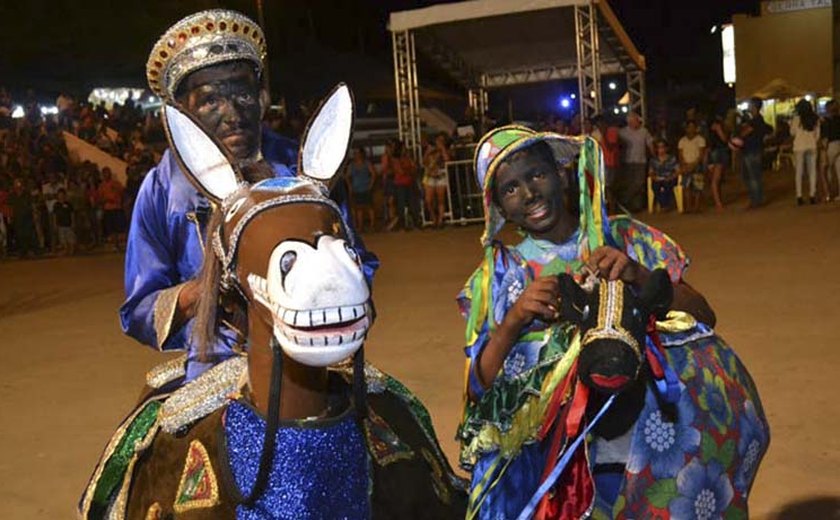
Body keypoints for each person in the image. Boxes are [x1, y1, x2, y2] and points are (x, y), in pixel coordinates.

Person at [456, 126, 767, 519]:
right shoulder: (497, 275)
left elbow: (704, 315)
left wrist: (639, 276)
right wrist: (515, 318)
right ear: (498, 205)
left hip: (646, 447)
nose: (529, 193)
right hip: (552, 467)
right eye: (511, 188)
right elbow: (478, 385)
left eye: (537, 174)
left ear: (560, 171)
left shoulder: (627, 238)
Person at [120, 9, 377, 383]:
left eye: (242, 93)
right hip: (213, 368)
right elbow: (139, 311)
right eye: (209, 101)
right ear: (182, 114)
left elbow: (361, 263)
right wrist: (204, 291)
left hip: (314, 360)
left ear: (263, 96)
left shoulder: (303, 167)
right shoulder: (162, 187)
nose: (231, 113)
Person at [738, 98, 771, 209]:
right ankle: (757, 198)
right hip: (753, 150)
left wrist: (739, 133)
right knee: (752, 176)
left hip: (752, 150)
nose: (749, 107)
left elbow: (745, 133)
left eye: (751, 105)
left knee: (752, 177)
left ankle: (755, 200)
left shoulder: (756, 120)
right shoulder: (757, 120)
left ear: (755, 106)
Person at [617, 112, 653, 212]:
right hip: (627, 161)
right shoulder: (622, 132)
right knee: (630, 183)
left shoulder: (644, 131)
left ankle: (629, 202)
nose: (637, 123)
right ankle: (631, 205)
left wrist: (654, 156)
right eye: (635, 121)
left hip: (641, 161)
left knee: (639, 183)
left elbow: (650, 143)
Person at [790, 99, 820, 205]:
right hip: (812, 145)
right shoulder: (815, 119)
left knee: (799, 172)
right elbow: (818, 135)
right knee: (812, 172)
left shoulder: (797, 119)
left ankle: (799, 196)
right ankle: (812, 195)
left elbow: (792, 132)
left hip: (799, 146)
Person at [390, 140, 421, 231]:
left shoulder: (407, 157)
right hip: (400, 184)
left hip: (409, 183)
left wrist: (410, 169)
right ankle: (402, 225)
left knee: (413, 204)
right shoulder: (395, 159)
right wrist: (410, 171)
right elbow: (401, 171)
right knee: (401, 205)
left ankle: (415, 223)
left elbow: (415, 167)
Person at [678, 120, 707, 212]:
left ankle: (696, 207)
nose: (691, 129)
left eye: (692, 127)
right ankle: (688, 206)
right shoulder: (682, 141)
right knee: (686, 186)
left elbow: (701, 154)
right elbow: (680, 155)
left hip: (697, 165)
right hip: (686, 165)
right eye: (689, 127)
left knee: (697, 186)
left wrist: (694, 164)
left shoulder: (700, 139)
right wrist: (685, 165)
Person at [422, 132, 450, 228]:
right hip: (429, 176)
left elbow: (447, 160)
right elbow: (424, 162)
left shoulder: (446, 150)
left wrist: (442, 149)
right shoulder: (430, 149)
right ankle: (433, 217)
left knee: (440, 199)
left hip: (440, 176)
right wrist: (428, 151)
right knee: (428, 200)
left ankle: (440, 220)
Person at [346, 146, 376, 232]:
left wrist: (371, 185)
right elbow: (347, 176)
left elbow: (374, 174)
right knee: (359, 208)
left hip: (365, 188)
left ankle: (372, 225)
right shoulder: (352, 165)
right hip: (357, 189)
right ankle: (360, 226)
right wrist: (350, 186)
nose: (356, 155)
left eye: (357, 153)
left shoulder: (367, 163)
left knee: (369, 207)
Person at [97, 167, 126, 250]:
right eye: (104, 173)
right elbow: (100, 197)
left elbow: (122, 192)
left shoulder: (116, 183)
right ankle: (114, 244)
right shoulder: (102, 186)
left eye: (107, 173)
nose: (106, 175)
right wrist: (106, 200)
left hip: (117, 207)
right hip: (108, 208)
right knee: (111, 228)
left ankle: (118, 244)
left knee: (118, 227)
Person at [648, 139, 680, 211]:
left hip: (670, 178)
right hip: (658, 178)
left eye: (662, 147)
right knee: (655, 186)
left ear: (666, 148)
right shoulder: (653, 160)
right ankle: (664, 204)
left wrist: (671, 177)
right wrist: (654, 177)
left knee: (667, 185)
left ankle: (665, 205)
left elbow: (678, 170)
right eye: (659, 147)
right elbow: (650, 172)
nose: (661, 149)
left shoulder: (672, 158)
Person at [707, 115, 730, 210]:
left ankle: (718, 201)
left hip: (714, 152)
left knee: (716, 179)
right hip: (718, 152)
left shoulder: (709, 128)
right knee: (716, 179)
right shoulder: (717, 126)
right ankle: (718, 203)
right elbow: (724, 139)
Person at [821, 100, 840, 202]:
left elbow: (826, 137)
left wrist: (824, 149)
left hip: (832, 145)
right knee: (839, 170)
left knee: (826, 169)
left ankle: (828, 193)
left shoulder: (826, 121)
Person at [53, 188, 76, 255]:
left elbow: (72, 214)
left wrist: (73, 223)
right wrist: (55, 224)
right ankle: (66, 250)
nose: (61, 196)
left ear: (65, 195)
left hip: (68, 225)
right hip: (60, 225)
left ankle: (71, 250)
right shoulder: (56, 205)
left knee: (71, 239)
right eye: (59, 195)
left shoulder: (69, 204)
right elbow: (55, 215)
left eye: (62, 195)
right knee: (63, 240)